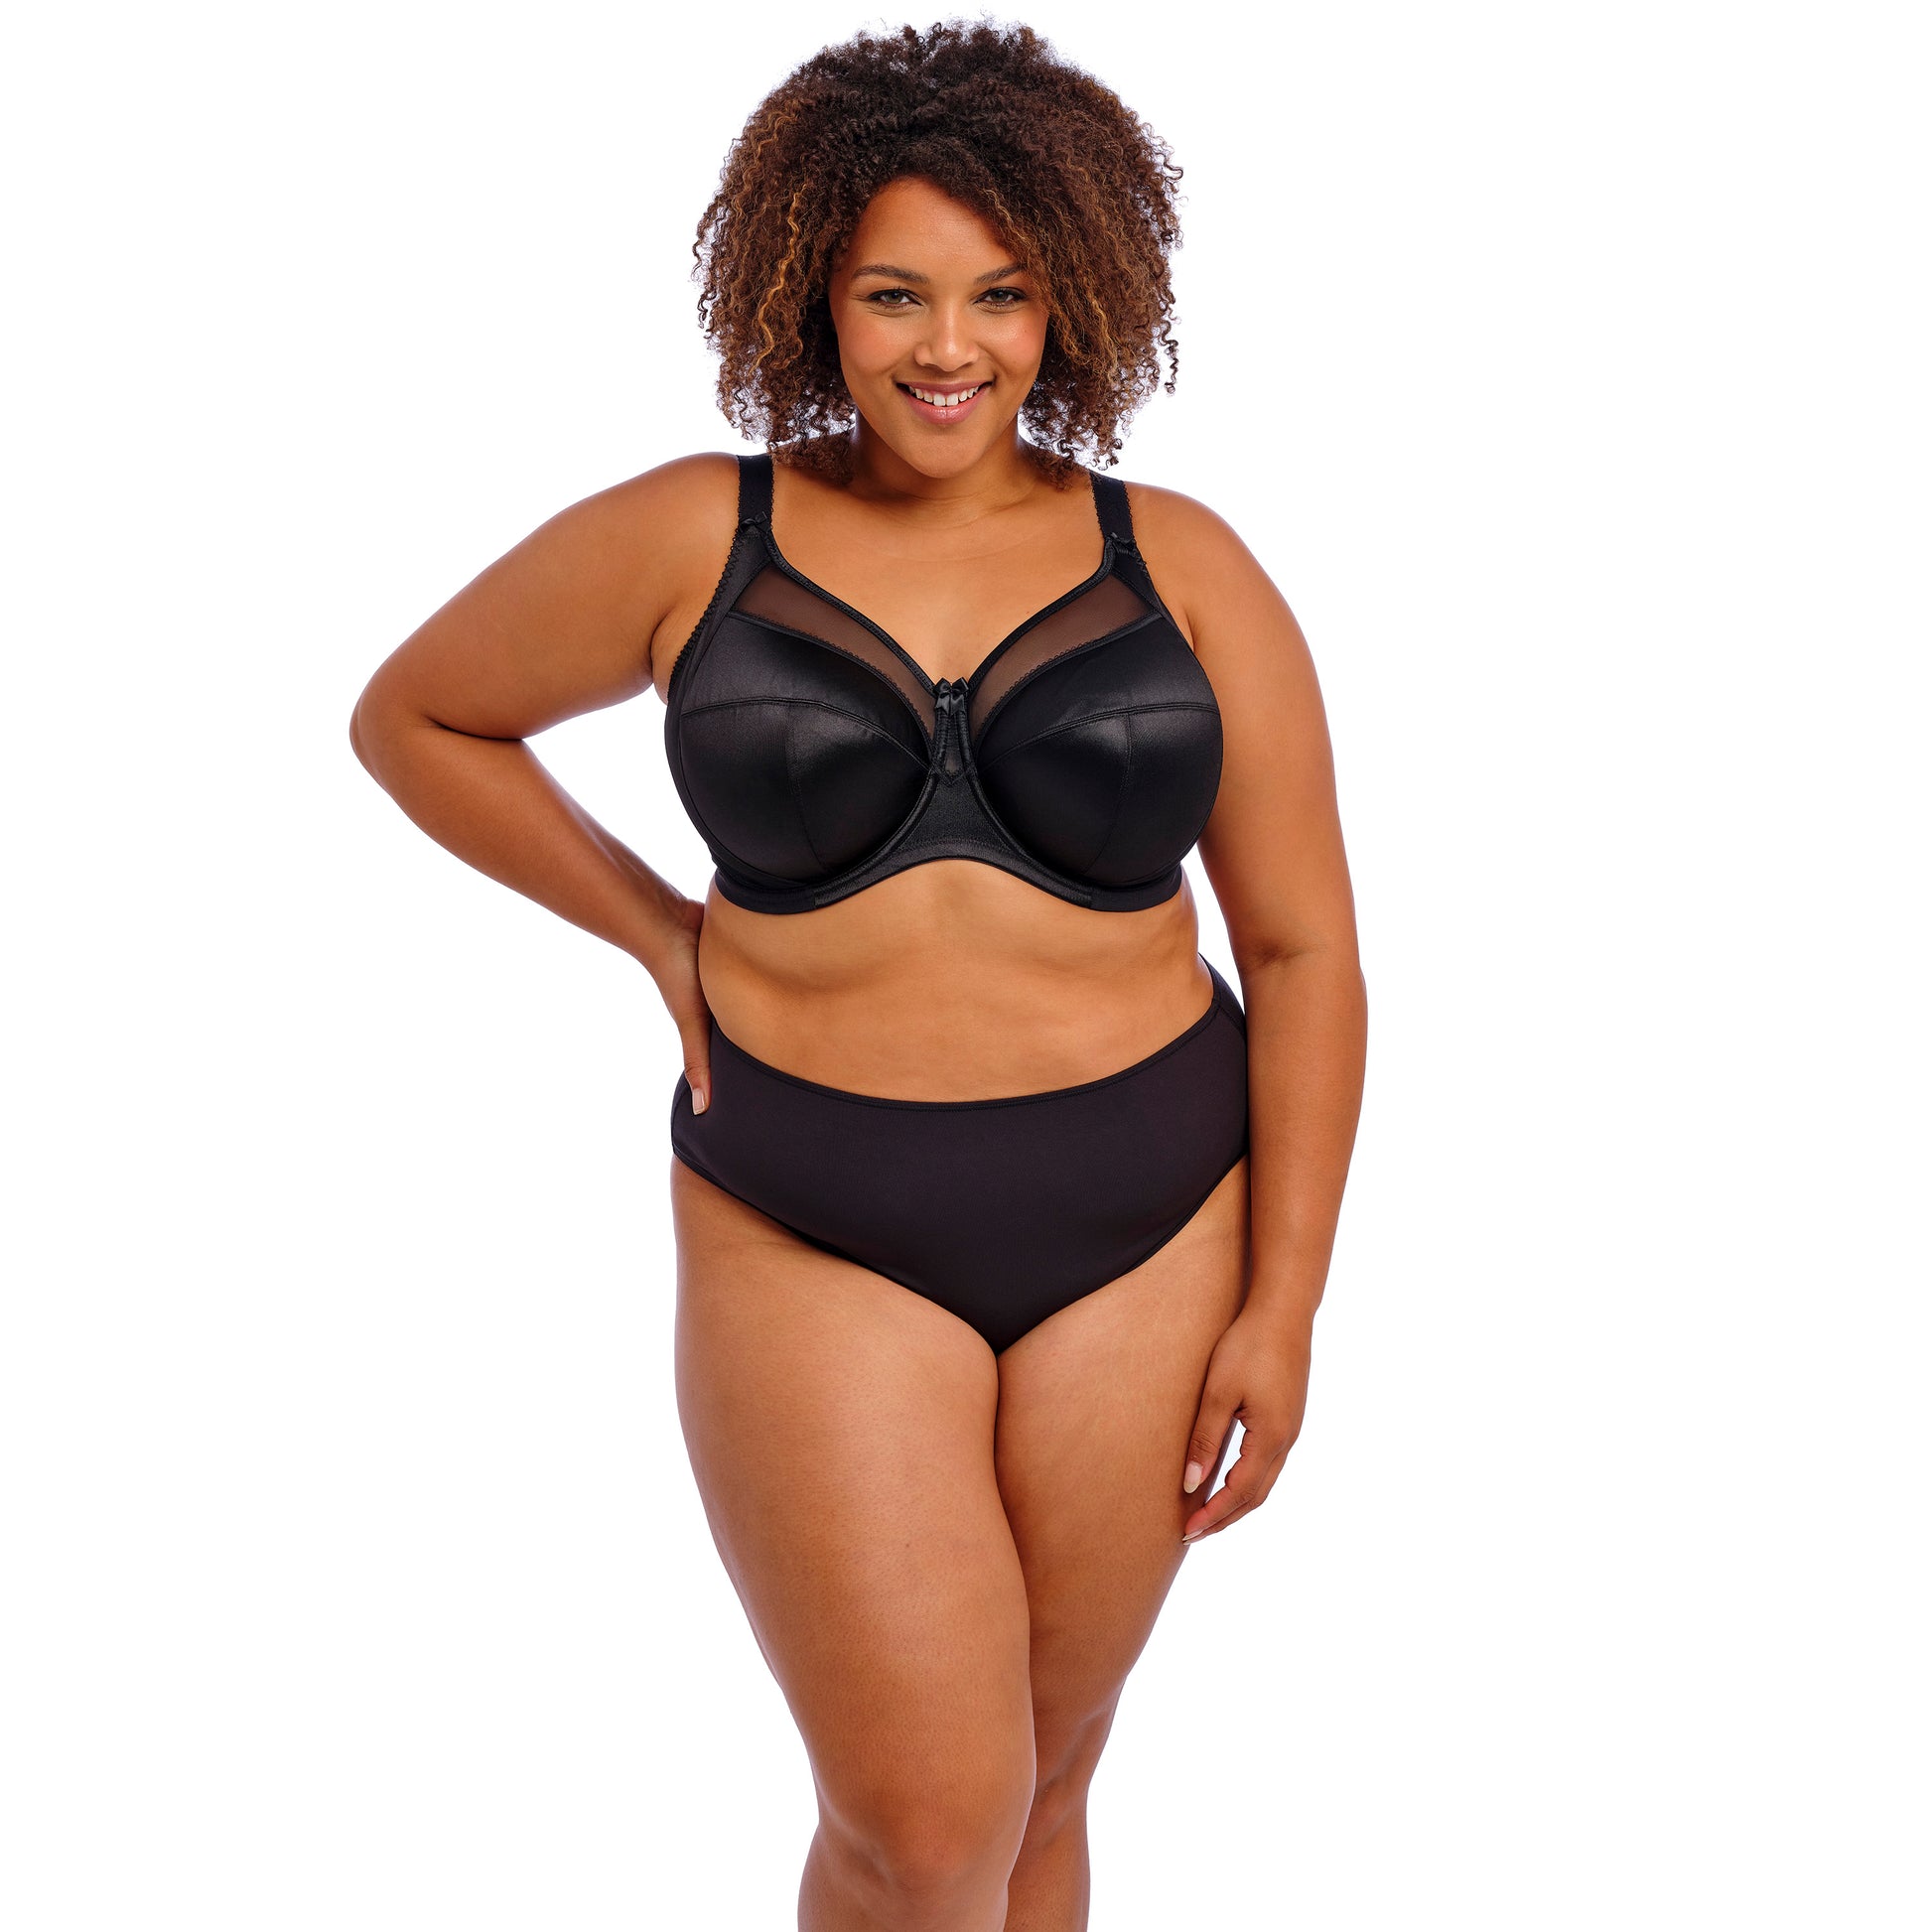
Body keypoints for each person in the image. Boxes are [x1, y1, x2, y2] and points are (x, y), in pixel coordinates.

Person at [349, 19, 1366, 1930]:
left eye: (1000, 292)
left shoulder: (1184, 563)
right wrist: (660, 931)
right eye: (894, 293)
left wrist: (1284, 1302)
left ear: (1074, 296)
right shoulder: (695, 532)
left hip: (1152, 1222)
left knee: (1043, 1786)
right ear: (809, 290)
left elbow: (1304, 947)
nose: (946, 347)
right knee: (921, 1819)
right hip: (811, 1216)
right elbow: (418, 716)